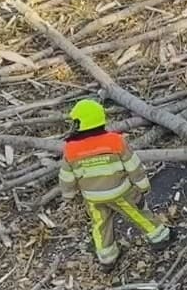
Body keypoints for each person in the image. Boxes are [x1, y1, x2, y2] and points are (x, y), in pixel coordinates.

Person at [58, 99, 175, 269]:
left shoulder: (71, 149)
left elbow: (66, 177)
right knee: (137, 213)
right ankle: (160, 237)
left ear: (80, 124)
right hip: (120, 191)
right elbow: (133, 165)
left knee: (100, 223)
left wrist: (68, 195)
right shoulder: (115, 141)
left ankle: (107, 257)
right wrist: (143, 186)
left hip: (92, 197)